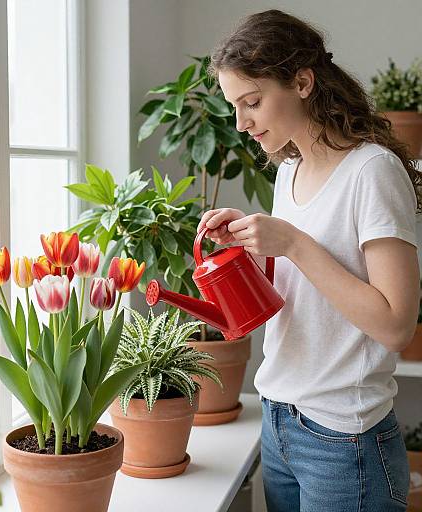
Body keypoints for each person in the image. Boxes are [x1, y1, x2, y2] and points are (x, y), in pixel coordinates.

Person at [198, 9, 421, 512]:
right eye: (235, 106)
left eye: (251, 102)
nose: (241, 122)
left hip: (345, 440)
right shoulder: (289, 173)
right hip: (279, 421)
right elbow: (307, 294)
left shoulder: (372, 172)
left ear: (302, 81)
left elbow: (396, 325)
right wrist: (250, 243)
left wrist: (295, 243)